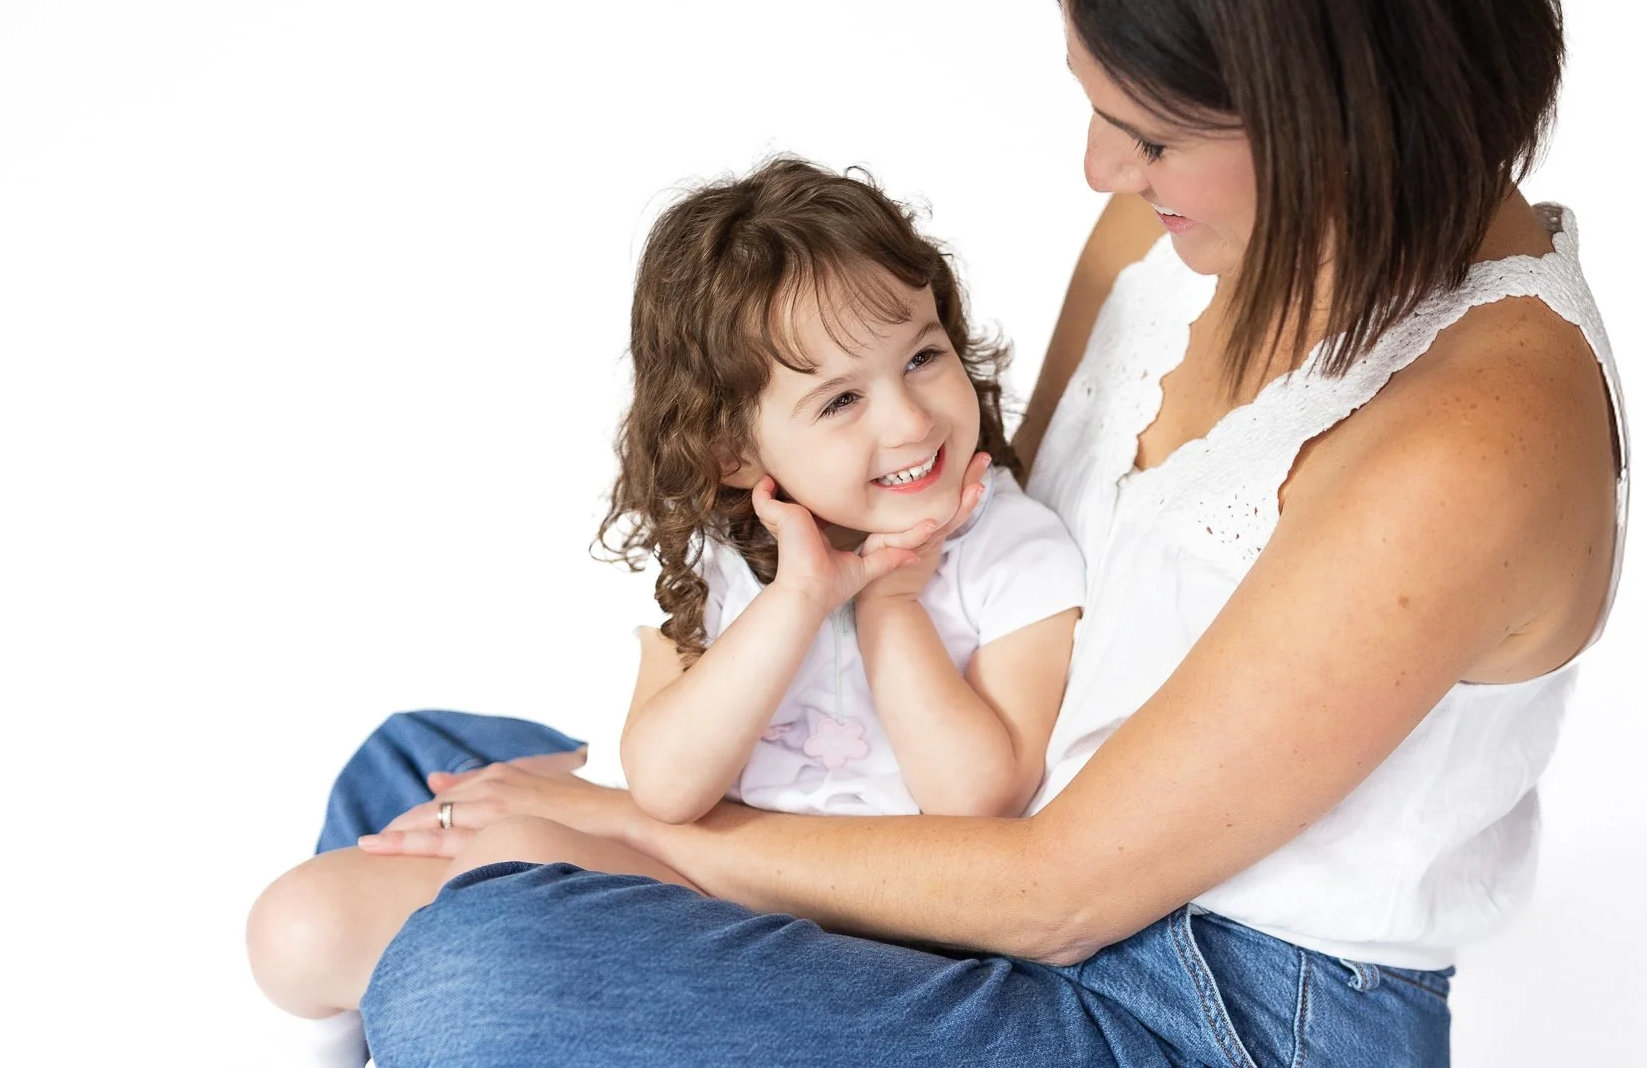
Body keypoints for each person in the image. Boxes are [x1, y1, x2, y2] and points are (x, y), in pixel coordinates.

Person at [303, 0, 1630, 1067]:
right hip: (984, 842)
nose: (1104, 168)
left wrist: (654, 838)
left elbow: (1064, 889)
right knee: (417, 775)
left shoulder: (1480, 435)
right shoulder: (1166, 234)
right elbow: (969, 522)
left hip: (1185, 1007)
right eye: (1098, 110)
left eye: (1153, 135)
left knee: (478, 970)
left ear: (1332, 119)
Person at [246, 160, 1085, 1063]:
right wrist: (801, 596)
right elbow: (668, 784)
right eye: (841, 399)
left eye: (923, 355)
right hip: (710, 887)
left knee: (518, 851)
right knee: (295, 925)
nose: (912, 419)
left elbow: (976, 803)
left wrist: (891, 604)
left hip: (885, 954)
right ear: (732, 450)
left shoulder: (1011, 550)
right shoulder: (731, 565)